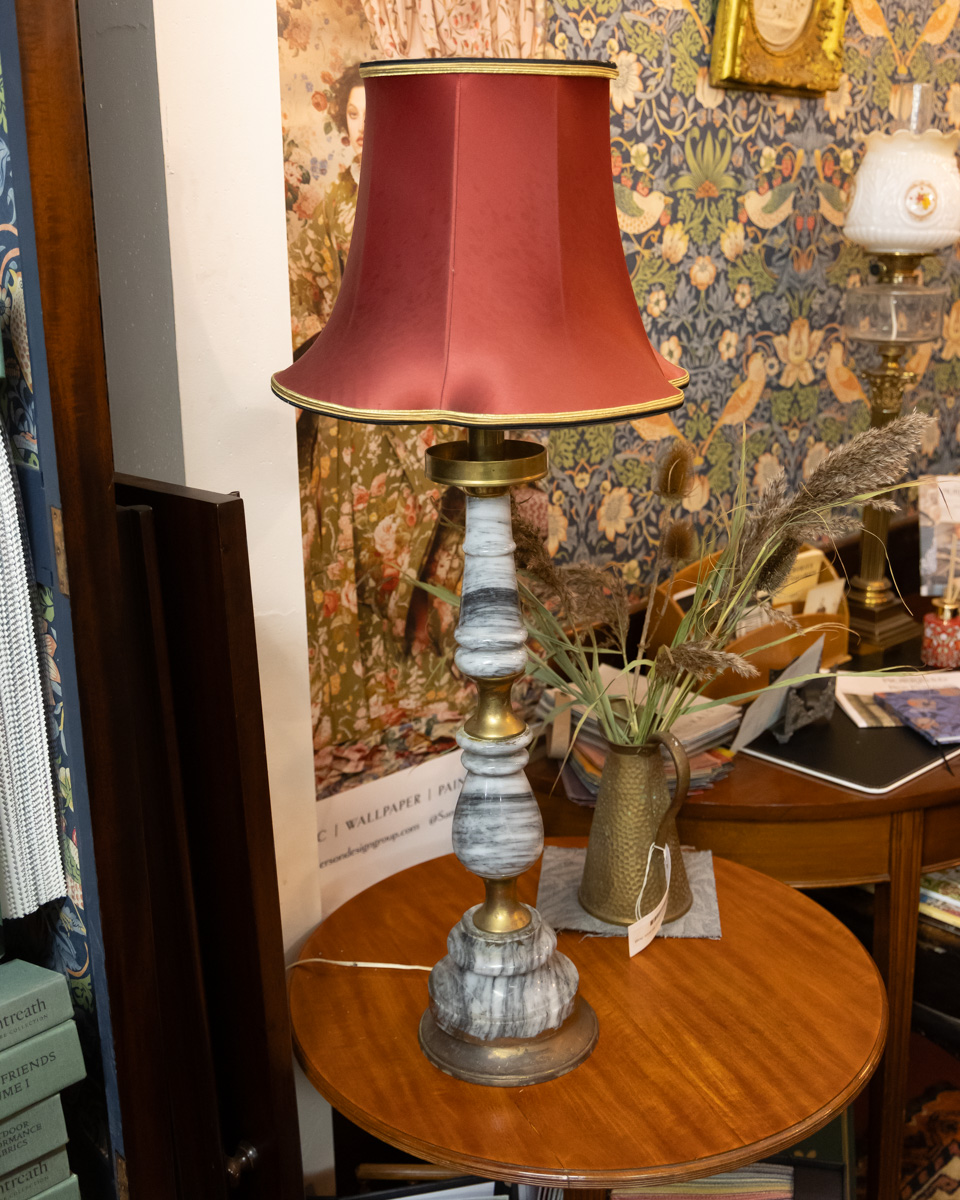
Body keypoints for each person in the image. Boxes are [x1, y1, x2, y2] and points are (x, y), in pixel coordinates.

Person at [288, 64, 365, 343]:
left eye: (372, 114)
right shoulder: (337, 195)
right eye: (354, 115)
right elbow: (304, 263)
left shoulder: (412, 186)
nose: (362, 125)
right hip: (357, 331)